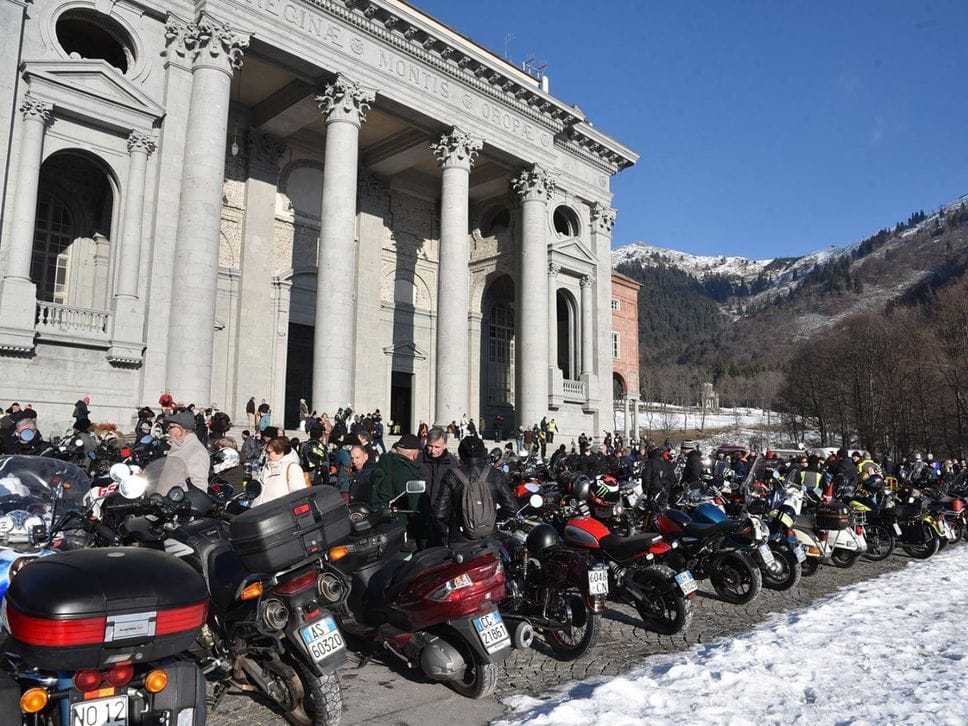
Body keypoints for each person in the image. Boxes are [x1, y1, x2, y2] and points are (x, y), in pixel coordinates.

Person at [433, 436, 516, 546]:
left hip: (460, 540)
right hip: (489, 540)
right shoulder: (495, 474)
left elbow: (440, 513)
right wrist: (490, 518)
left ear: (461, 453)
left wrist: (458, 522)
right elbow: (512, 508)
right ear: (483, 452)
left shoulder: (451, 476)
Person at [370, 433, 429, 546]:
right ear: (415, 455)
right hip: (400, 530)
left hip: (376, 522)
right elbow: (417, 509)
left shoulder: (382, 463)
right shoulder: (409, 473)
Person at [417, 427, 459, 542]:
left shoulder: (453, 462)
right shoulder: (418, 459)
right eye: (430, 446)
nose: (433, 450)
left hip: (443, 515)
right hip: (420, 512)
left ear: (444, 445)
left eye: (437, 447)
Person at [252, 437, 306, 507]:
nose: (266, 455)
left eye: (269, 452)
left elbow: (299, 496)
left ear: (280, 452)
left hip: (280, 511)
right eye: (266, 452)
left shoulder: (292, 468)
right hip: (259, 511)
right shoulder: (267, 467)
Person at [164, 410, 211, 491]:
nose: (168, 430)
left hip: (180, 497)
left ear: (182, 430)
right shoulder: (178, 446)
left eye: (171, 427)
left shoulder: (196, 451)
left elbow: (199, 486)